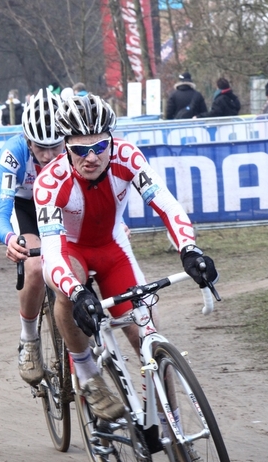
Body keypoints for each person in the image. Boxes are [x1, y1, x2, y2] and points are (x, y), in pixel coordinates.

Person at [32, 93, 218, 421]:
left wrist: (190, 250)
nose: (91, 158)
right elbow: (52, 250)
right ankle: (88, 372)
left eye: (100, 147)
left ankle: (172, 430)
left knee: (148, 337)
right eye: (80, 150)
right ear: (65, 147)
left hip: (113, 248)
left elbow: (168, 204)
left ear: (111, 141)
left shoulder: (127, 156)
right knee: (66, 288)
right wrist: (76, 292)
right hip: (71, 250)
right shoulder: (50, 182)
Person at [0, 89, 65, 385]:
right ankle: (30, 339)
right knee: (35, 267)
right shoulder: (14, 153)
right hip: (25, 208)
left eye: (55, 147)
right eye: (40, 147)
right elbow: (0, 214)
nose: (48, 156)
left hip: (58, 204)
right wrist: (10, 238)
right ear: (27, 139)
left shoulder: (72, 147)